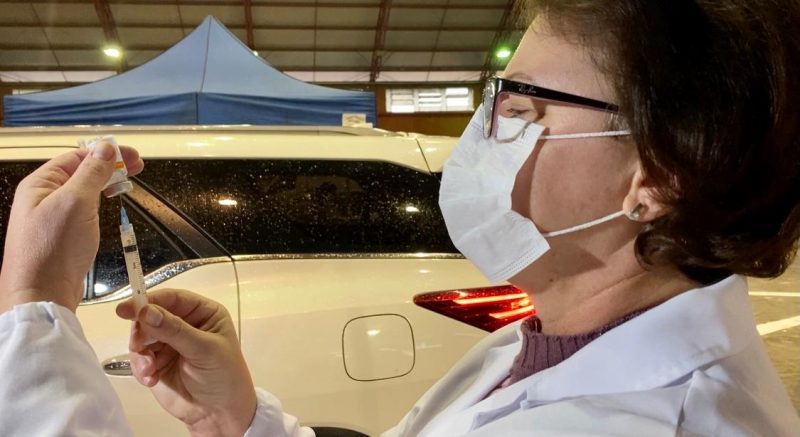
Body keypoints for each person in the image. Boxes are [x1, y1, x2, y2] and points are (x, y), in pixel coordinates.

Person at [2, 0, 800, 435]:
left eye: (519, 105)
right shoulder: (553, 340)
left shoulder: (626, 422)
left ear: (657, 175)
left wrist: (34, 311)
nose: (478, 136)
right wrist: (236, 416)